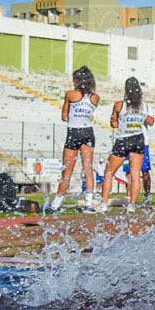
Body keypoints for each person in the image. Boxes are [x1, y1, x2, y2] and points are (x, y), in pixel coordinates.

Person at [98, 77, 155, 213]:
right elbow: (151, 121)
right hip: (138, 139)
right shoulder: (144, 106)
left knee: (109, 172)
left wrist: (119, 120)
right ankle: (132, 205)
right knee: (136, 174)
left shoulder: (119, 105)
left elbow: (114, 123)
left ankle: (104, 204)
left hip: (123, 139)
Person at [49, 66, 100, 213]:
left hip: (74, 132)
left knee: (67, 171)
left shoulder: (70, 94)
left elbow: (64, 116)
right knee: (88, 169)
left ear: (78, 80)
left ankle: (55, 205)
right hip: (88, 132)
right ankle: (88, 204)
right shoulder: (95, 97)